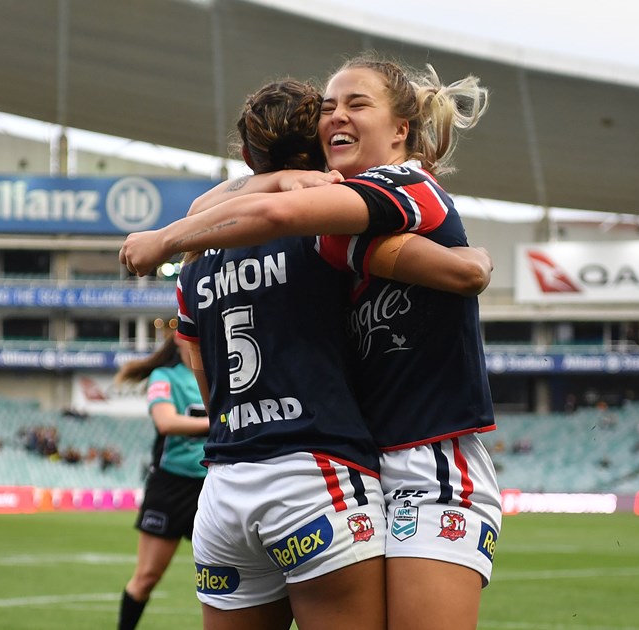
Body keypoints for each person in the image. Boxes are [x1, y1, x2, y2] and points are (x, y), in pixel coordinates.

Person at [123, 57, 500, 630]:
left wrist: (168, 238)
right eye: (328, 109)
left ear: (402, 129)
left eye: (356, 104)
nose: (338, 117)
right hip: (343, 466)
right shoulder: (332, 234)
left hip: (427, 457)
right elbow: (462, 270)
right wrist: (469, 262)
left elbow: (269, 214)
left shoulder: (401, 188)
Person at [115, 336, 210, 630]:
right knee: (146, 578)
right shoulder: (164, 377)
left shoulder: (222, 375)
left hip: (213, 486)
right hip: (170, 487)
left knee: (226, 578)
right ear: (180, 339)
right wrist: (219, 423)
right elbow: (166, 422)